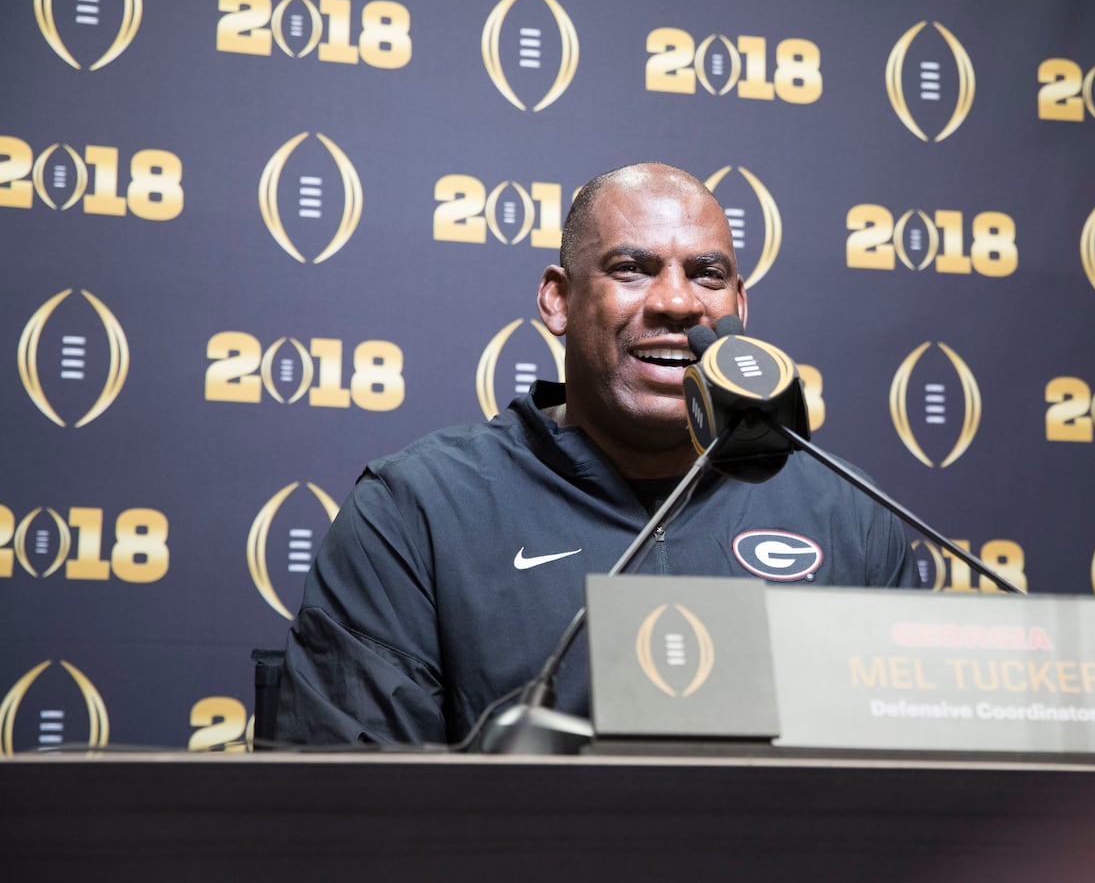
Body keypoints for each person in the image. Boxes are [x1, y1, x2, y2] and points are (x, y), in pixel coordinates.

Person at [276, 162, 922, 745]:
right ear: (558, 299)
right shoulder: (416, 511)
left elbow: (924, 781)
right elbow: (352, 802)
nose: (676, 303)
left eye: (708, 275)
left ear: (739, 308)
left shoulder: (849, 514)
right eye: (632, 269)